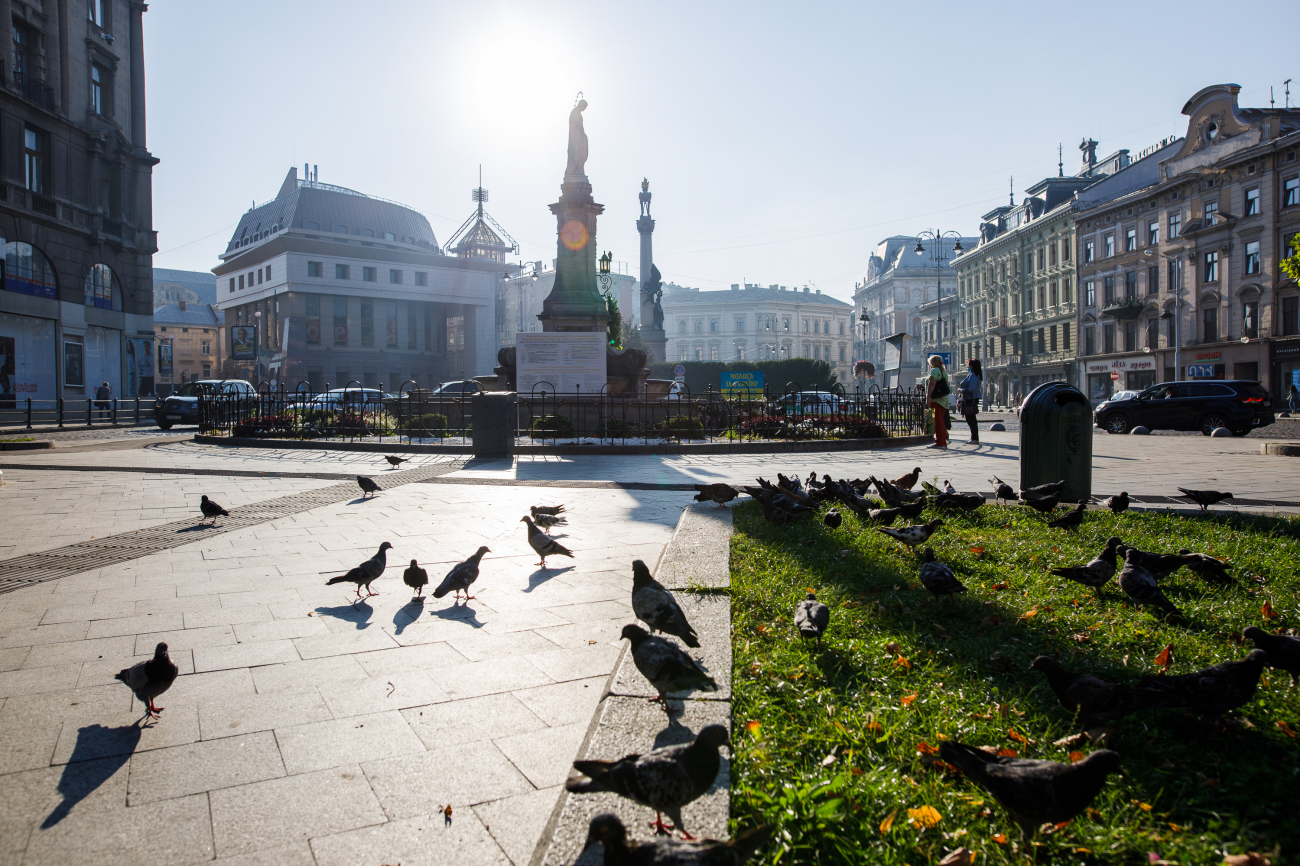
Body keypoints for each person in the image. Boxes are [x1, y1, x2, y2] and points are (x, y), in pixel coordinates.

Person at [925, 355, 951, 449]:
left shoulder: (934, 370)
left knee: (937, 421)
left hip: (936, 399)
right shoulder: (943, 371)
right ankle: (942, 441)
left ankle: (939, 442)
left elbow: (932, 383)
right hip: (944, 399)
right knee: (941, 421)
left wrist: (928, 397)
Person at [958, 358, 983, 444]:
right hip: (970, 398)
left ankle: (974, 438)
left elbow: (972, 388)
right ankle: (974, 438)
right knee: (971, 419)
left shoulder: (974, 375)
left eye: (968, 364)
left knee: (971, 419)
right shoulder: (972, 374)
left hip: (971, 399)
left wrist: (962, 390)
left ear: (972, 365)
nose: (967, 366)